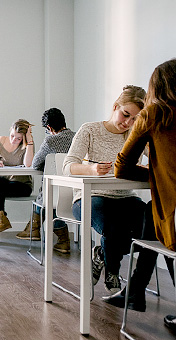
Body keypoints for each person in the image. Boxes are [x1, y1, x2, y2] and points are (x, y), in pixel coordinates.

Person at [104, 59, 176, 330]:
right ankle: (134, 291)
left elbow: (122, 167)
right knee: (150, 212)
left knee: (159, 218)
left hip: (175, 220)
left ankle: (134, 292)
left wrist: (158, 177)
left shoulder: (155, 114)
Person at [62, 85, 147, 294]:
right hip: (90, 197)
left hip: (125, 198)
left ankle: (101, 253)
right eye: (125, 115)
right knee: (114, 226)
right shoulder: (90, 130)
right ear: (115, 106)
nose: (128, 123)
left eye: (135, 119)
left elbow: (157, 158)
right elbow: (67, 166)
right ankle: (113, 271)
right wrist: (91, 169)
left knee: (151, 228)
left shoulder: (135, 134)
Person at [16, 108, 75, 253]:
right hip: (77, 191)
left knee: (48, 198)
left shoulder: (50, 140)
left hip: (54, 193)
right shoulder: (77, 137)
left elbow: (35, 164)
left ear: (49, 127)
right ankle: (60, 240)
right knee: (52, 198)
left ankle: (35, 229)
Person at [0, 119, 34, 246]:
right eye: (12, 136)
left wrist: (29, 140)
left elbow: (28, 164)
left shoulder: (27, 145)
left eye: (18, 139)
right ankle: (1, 220)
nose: (14, 140)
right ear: (10, 130)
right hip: (4, 184)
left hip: (22, 186)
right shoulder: (1, 141)